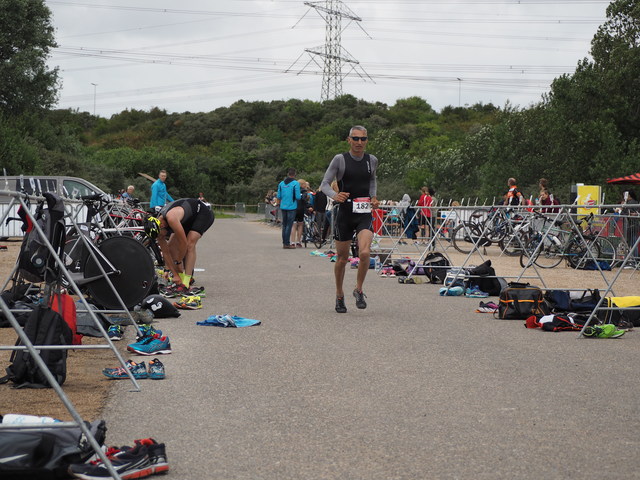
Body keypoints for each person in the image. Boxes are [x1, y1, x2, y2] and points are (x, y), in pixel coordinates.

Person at [320, 125, 379, 313]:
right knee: (342, 258)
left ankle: (358, 289)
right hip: (345, 214)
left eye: (363, 139)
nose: (359, 142)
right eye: (355, 139)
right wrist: (334, 196)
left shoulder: (372, 160)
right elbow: (324, 184)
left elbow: (372, 180)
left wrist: (374, 197)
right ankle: (339, 295)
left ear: (367, 140)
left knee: (364, 253)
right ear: (349, 140)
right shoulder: (340, 159)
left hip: (364, 213)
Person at [154, 198, 215, 296]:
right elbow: (166, 252)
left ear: (162, 225)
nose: (162, 237)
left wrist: (178, 261)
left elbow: (184, 244)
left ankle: (186, 282)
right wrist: (172, 272)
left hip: (201, 213)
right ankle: (180, 279)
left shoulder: (172, 218)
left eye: (161, 235)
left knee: (190, 244)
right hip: (187, 218)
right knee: (170, 246)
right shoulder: (158, 227)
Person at [276, 168, 301, 249]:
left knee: (284, 225)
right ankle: (287, 244)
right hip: (292, 206)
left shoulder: (281, 183)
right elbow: (297, 196)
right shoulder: (295, 183)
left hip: (283, 206)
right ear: (294, 174)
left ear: (288, 174)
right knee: (289, 225)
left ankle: (284, 242)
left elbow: (278, 196)